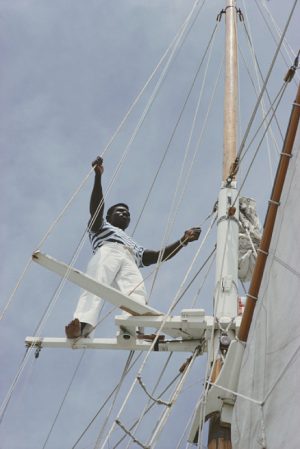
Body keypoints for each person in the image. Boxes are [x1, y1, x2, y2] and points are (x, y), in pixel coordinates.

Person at [65, 157, 201, 339]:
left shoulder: (134, 245)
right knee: (97, 282)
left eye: (128, 214)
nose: (125, 214)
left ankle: (134, 329)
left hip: (130, 259)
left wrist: (183, 240)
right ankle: (81, 325)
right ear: (109, 215)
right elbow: (97, 208)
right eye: (120, 211)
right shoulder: (102, 226)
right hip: (108, 250)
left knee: (137, 293)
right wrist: (98, 177)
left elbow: (158, 256)